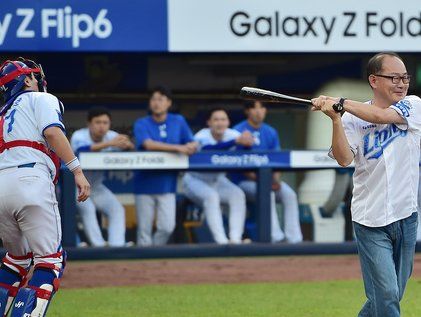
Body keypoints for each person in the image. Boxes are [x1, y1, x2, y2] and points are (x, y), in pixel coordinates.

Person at [312, 52, 420, 317]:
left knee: (390, 296)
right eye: (394, 77)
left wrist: (339, 102)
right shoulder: (350, 117)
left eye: (404, 77)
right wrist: (336, 118)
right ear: (374, 80)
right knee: (386, 295)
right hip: (370, 220)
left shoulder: (414, 105)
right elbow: (343, 158)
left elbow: (380, 117)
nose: (401, 83)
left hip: (406, 217)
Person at [0, 58, 90, 316]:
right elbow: (52, 132)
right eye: (34, 77)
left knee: (16, 260)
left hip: (1, 187)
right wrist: (77, 170)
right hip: (30, 179)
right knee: (50, 260)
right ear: (27, 80)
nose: (38, 81)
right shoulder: (42, 99)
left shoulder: (2, 115)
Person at [133, 87, 197, 246]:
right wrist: (177, 148)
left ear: (168, 103)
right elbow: (148, 144)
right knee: (144, 231)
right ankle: (143, 263)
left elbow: (191, 141)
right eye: (154, 99)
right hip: (144, 183)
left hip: (168, 182)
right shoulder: (141, 123)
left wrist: (192, 146)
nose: (156, 103)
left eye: (161, 99)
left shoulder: (178, 120)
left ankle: (153, 254)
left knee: (167, 227)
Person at [233, 101, 303, 243]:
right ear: (247, 111)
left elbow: (276, 161)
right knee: (267, 193)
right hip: (243, 182)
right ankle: (276, 237)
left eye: (261, 108)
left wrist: (275, 180)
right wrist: (265, 182)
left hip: (267, 180)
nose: (258, 111)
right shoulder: (238, 130)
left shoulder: (270, 131)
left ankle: (294, 239)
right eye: (254, 108)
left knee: (289, 195)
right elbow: (238, 164)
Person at [182, 108, 253, 244]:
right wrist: (235, 142)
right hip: (194, 180)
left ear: (228, 122)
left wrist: (247, 143)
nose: (220, 123)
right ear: (209, 123)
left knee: (237, 195)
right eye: (216, 119)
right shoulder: (202, 135)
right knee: (211, 197)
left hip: (218, 180)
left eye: (223, 119)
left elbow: (247, 149)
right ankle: (221, 242)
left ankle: (235, 239)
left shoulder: (232, 134)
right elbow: (209, 150)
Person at [71, 107, 134, 247]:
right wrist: (110, 144)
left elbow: (130, 148)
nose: (102, 126)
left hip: (96, 186)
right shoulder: (79, 135)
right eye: (97, 122)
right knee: (88, 208)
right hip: (75, 184)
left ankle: (116, 246)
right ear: (89, 124)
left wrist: (128, 144)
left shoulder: (112, 135)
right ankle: (98, 246)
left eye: (105, 122)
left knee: (116, 209)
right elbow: (82, 151)